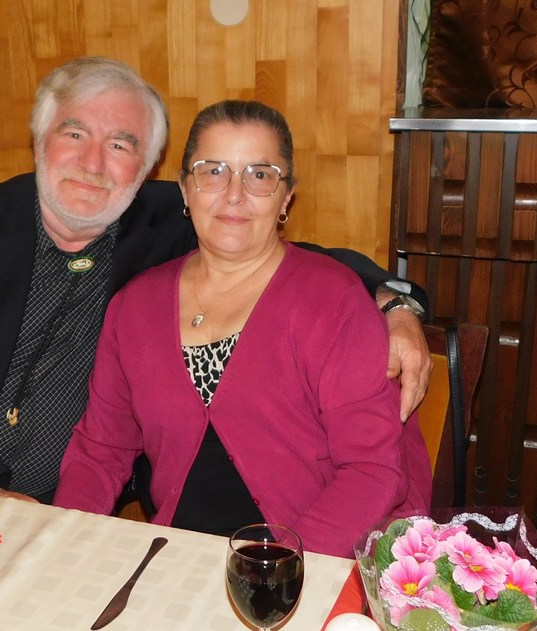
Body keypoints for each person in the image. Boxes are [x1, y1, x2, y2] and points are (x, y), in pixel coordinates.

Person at [0, 57, 430, 505]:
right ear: (37, 141)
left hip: (68, 505)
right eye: (74, 134)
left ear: (148, 169)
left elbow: (290, 256)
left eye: (120, 145)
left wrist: (396, 305)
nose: (93, 163)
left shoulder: (175, 218)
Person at [53, 100, 432, 556]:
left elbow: (372, 472)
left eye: (260, 174)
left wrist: (281, 569)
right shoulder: (134, 307)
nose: (234, 194)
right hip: (180, 560)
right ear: (185, 189)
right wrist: (60, 543)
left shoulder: (333, 301)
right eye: (213, 171)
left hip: (310, 558)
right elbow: (101, 450)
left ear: (285, 197)